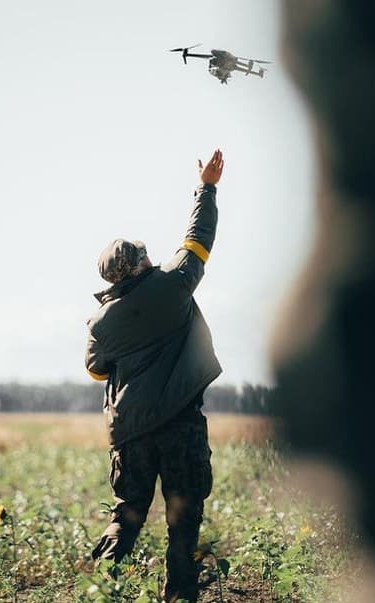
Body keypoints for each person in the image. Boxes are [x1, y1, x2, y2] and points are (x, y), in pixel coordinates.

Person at [85, 149, 224, 602]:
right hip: (180, 426)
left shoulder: (100, 322)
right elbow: (198, 237)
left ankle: (100, 585)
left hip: (130, 433)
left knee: (128, 511)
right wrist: (206, 186)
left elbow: (94, 369)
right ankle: (179, 595)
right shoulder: (174, 283)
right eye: (144, 254)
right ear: (141, 263)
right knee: (183, 517)